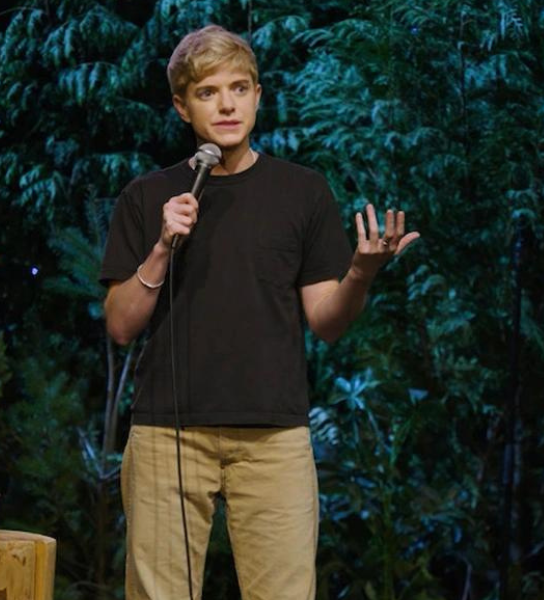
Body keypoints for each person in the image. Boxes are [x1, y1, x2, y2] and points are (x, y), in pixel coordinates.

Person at [99, 24, 419, 600]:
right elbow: (121, 325)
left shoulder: (303, 192)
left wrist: (361, 272)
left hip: (274, 439)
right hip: (168, 434)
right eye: (208, 92)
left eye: (239, 88)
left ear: (258, 96)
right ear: (182, 107)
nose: (227, 105)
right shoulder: (148, 197)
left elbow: (326, 322)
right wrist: (162, 247)